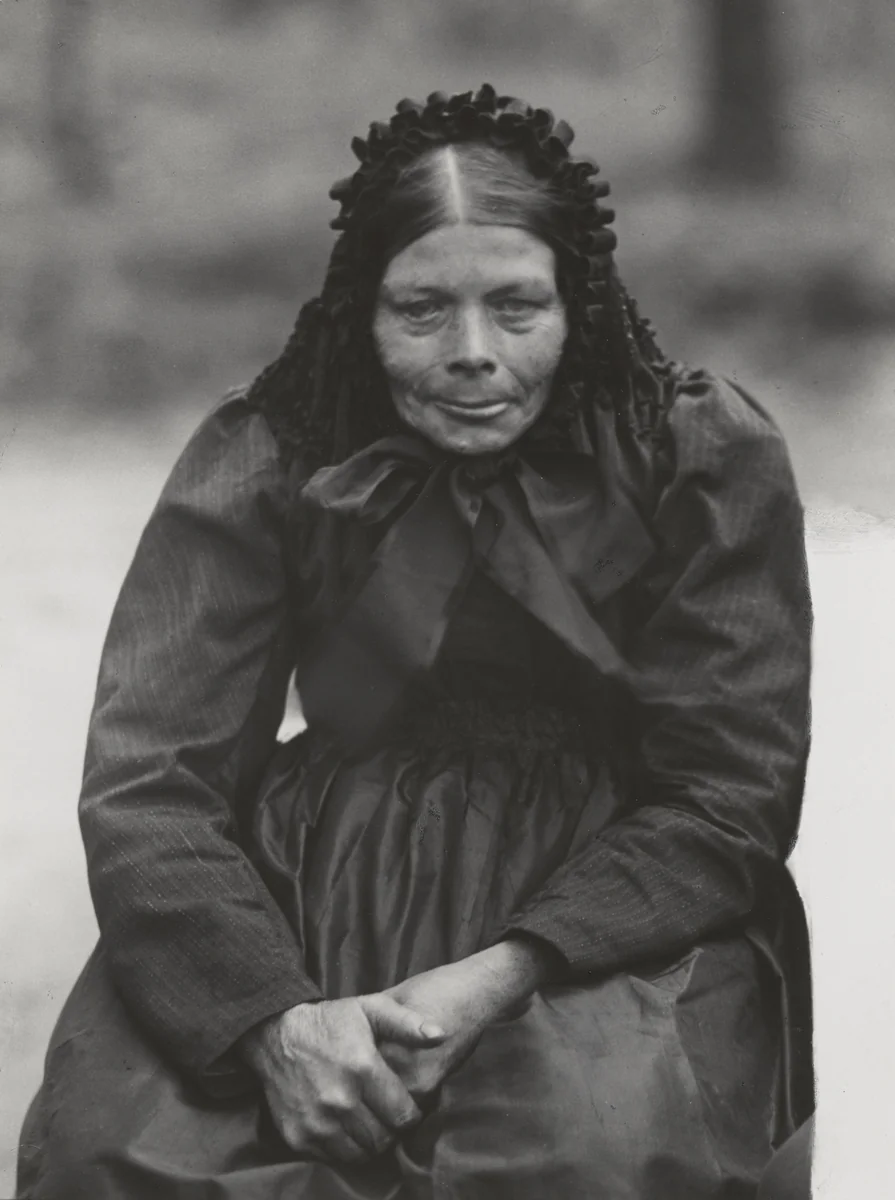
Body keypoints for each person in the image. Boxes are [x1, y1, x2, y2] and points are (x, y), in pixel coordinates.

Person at [17, 85, 814, 1199]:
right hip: (308, 888)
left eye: (517, 306)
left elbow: (731, 794)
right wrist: (274, 1022)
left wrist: (495, 980)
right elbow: (151, 785)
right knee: (130, 1153)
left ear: (576, 303)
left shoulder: (694, 458)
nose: (472, 352)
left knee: (584, 1152)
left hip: (609, 910)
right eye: (422, 309)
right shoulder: (273, 453)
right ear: (364, 309)